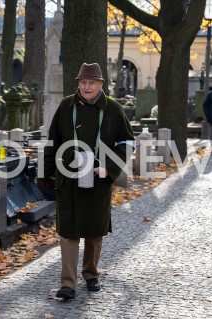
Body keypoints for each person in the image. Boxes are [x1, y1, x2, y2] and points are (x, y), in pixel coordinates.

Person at [43, 63, 135, 299]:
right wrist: (45, 173)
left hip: (98, 180)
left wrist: (110, 169)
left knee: (94, 233)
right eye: (83, 82)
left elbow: (127, 143)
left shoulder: (113, 109)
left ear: (100, 85)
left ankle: (91, 274)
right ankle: (68, 283)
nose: (86, 86)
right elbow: (53, 141)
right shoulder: (66, 106)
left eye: (91, 83)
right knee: (69, 233)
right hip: (68, 180)